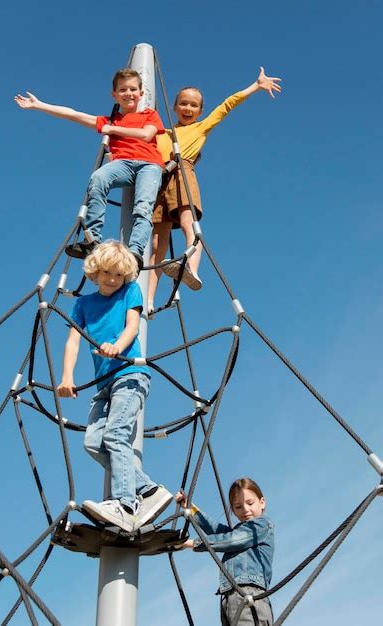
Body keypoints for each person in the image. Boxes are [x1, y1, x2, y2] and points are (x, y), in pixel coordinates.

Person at [57, 240, 172, 532]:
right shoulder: (83, 304)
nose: (112, 280)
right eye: (108, 272)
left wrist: (117, 347)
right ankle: (148, 490)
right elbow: (73, 341)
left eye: (119, 275)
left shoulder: (130, 292)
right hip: (103, 383)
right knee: (93, 442)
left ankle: (126, 503)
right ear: (95, 271)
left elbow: (132, 326)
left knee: (115, 434)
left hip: (130, 374)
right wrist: (67, 377)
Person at [148, 67, 282, 313]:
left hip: (182, 173)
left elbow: (227, 105)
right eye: (184, 104)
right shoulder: (160, 133)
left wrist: (256, 85)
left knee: (190, 224)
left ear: (200, 111)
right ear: (175, 106)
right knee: (158, 244)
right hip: (160, 181)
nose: (188, 109)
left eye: (194, 105)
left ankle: (192, 268)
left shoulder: (199, 128)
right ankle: (148, 299)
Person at [15, 68, 165, 268]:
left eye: (132, 89)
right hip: (122, 164)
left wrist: (112, 130)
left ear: (141, 93)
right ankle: (92, 239)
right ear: (114, 95)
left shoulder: (149, 114)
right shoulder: (109, 120)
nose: (128, 93)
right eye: (122, 90)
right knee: (99, 178)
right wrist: (39, 105)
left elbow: (147, 135)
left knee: (142, 207)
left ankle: (135, 251)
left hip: (149, 164)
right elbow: (74, 115)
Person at [176, 477, 274, 625]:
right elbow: (215, 529)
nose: (245, 510)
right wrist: (190, 507)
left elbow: (231, 540)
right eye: (238, 507)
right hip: (231, 597)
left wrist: (190, 543)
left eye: (250, 503)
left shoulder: (261, 526)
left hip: (249, 594)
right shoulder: (239, 530)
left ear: (262, 502)